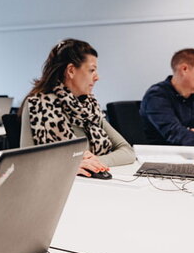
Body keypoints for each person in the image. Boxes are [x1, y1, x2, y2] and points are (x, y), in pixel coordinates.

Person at [20, 39, 135, 176]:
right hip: (59, 184)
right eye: (92, 70)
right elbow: (26, 163)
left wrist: (96, 162)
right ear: (71, 70)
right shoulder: (37, 105)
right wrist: (68, 166)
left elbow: (127, 151)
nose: (97, 77)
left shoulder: (90, 108)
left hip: (93, 181)